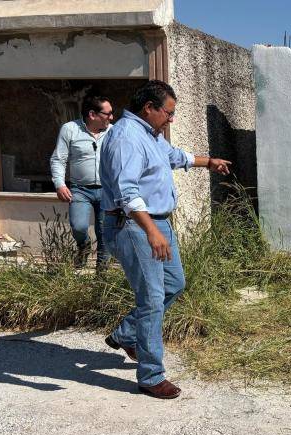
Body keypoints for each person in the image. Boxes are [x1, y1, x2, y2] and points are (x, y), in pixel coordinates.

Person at [100, 80, 231, 399]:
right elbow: (126, 192)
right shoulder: (127, 138)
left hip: (155, 223)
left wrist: (208, 161)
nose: (171, 119)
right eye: (168, 113)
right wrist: (152, 231)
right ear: (149, 108)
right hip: (133, 226)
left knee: (174, 283)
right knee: (152, 298)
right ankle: (150, 375)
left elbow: (174, 156)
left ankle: (127, 334)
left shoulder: (149, 134)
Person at [49, 95, 114, 269]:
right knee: (78, 226)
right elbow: (58, 159)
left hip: (107, 190)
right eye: (108, 113)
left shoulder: (113, 132)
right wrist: (60, 184)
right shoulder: (70, 129)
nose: (111, 117)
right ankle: (83, 246)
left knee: (104, 233)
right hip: (80, 190)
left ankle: (102, 276)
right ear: (92, 114)